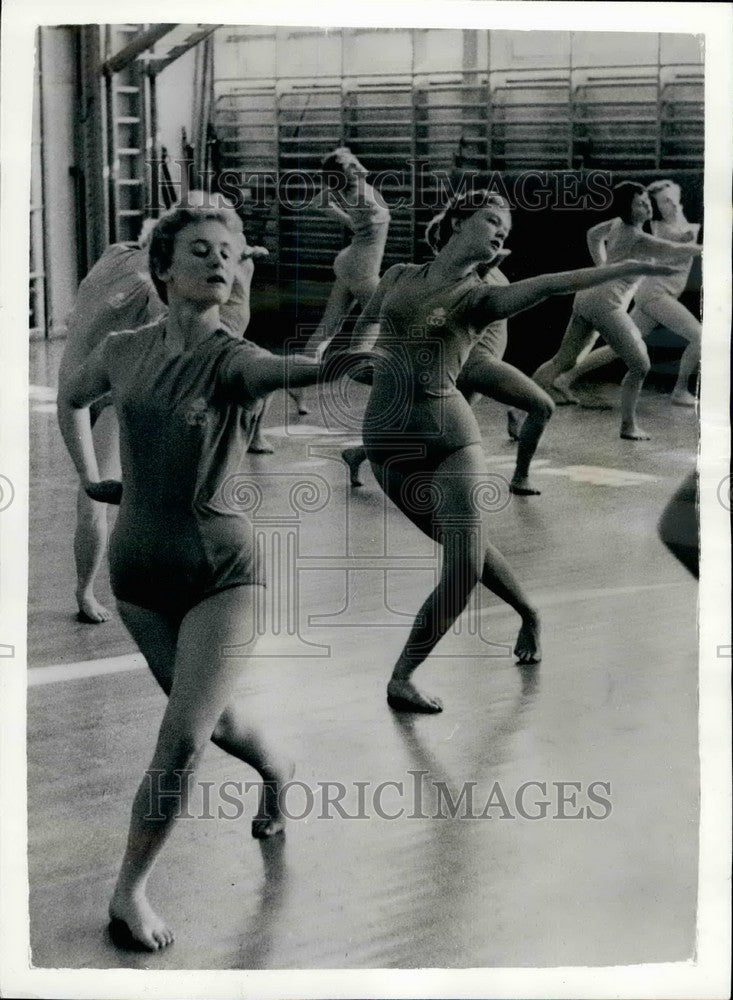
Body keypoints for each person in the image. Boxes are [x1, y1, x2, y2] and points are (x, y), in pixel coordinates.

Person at [57, 204, 350, 951]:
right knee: (211, 722)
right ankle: (278, 765)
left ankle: (129, 892)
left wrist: (335, 363)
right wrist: (97, 481)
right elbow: (72, 391)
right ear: (163, 270)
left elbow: (281, 371)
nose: (220, 262)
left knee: (182, 737)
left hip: (224, 574)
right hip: (139, 579)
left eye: (229, 253)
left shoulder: (232, 356)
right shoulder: (123, 351)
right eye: (201, 250)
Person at [346, 189, 676, 713]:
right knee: (469, 551)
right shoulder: (399, 277)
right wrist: (362, 361)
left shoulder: (479, 297)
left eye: (507, 228)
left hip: (450, 440)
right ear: (457, 220)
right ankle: (530, 613)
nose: (502, 232)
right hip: (387, 443)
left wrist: (625, 265)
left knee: (460, 566)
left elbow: (550, 284)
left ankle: (402, 677)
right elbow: (357, 334)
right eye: (492, 220)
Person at [57, 192, 270, 624]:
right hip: (117, 389)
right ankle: (106, 589)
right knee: (119, 493)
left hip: (81, 380)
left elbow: (85, 303)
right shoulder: (167, 296)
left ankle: (86, 589)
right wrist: (240, 273)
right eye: (204, 247)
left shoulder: (117, 255)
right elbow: (215, 338)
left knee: (93, 488)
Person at [340, 250, 555, 497]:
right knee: (542, 406)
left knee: (431, 431)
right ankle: (520, 477)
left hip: (473, 364)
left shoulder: (484, 269)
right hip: (475, 365)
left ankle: (357, 454)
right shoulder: (464, 275)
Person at [530, 181, 702, 441]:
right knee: (640, 364)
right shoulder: (637, 237)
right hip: (605, 303)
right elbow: (674, 250)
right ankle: (628, 426)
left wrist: (602, 266)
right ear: (628, 209)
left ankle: (518, 408)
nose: (647, 206)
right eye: (640, 203)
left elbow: (592, 234)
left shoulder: (617, 224)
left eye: (647, 201)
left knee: (564, 361)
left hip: (588, 296)